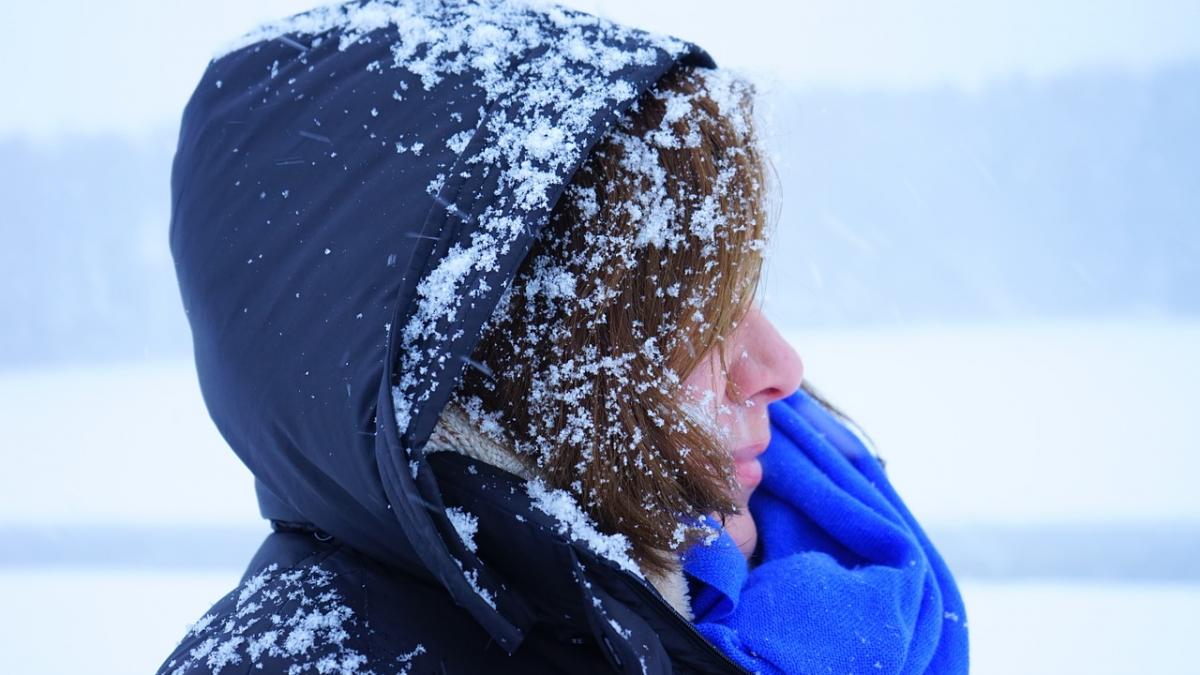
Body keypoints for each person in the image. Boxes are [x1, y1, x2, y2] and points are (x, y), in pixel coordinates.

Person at [158, 1, 968, 673]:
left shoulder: (817, 573)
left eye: (745, 296)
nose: (780, 370)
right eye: (696, 323)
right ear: (510, 371)